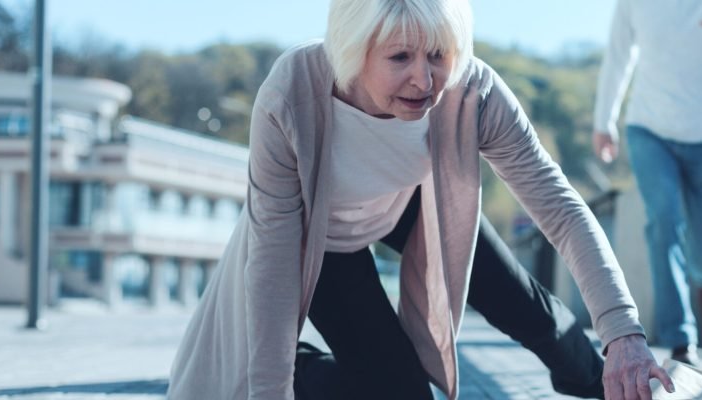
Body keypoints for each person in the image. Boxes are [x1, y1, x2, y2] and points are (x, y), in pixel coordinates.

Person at [167, 0, 675, 399]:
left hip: (409, 202)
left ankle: (609, 383)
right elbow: (273, 263)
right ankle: (304, 369)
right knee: (399, 393)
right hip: (318, 239)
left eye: (437, 55)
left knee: (523, 303)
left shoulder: (473, 91)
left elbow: (561, 211)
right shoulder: (292, 93)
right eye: (399, 58)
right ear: (354, 49)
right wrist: (270, 388)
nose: (424, 79)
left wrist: (623, 334)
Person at [591, 0, 702, 365]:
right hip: (649, 130)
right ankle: (681, 339)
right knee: (663, 223)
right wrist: (605, 121)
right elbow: (619, 55)